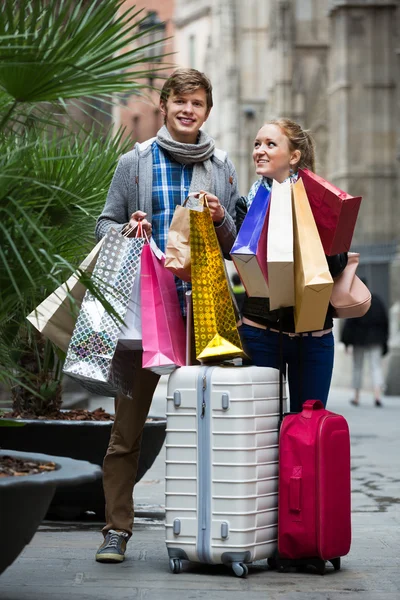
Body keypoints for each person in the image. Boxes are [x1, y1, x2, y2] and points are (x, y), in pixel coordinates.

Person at [94, 68, 239, 563]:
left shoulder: (221, 165)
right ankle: (116, 531)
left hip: (201, 315)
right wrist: (125, 229)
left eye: (197, 103)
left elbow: (235, 244)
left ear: (207, 110)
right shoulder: (134, 162)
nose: (188, 110)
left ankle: (209, 532)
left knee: (210, 429)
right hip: (145, 318)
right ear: (164, 105)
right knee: (126, 433)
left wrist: (221, 219)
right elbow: (104, 223)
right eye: (180, 101)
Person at [236, 118, 348, 412]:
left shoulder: (320, 197)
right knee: (259, 434)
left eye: (270, 144)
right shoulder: (250, 202)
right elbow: (241, 262)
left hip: (313, 337)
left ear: (294, 156)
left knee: (308, 431)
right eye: (257, 144)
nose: (260, 150)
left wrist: (317, 231)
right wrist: (230, 222)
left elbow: (338, 263)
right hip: (260, 331)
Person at [340, 282, 389, 407]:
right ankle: (377, 395)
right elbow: (384, 322)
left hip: (358, 341)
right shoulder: (377, 301)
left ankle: (356, 396)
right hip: (375, 340)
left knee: (357, 367)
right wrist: (384, 341)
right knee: (376, 367)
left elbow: (349, 324)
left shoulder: (356, 302)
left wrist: (346, 342)